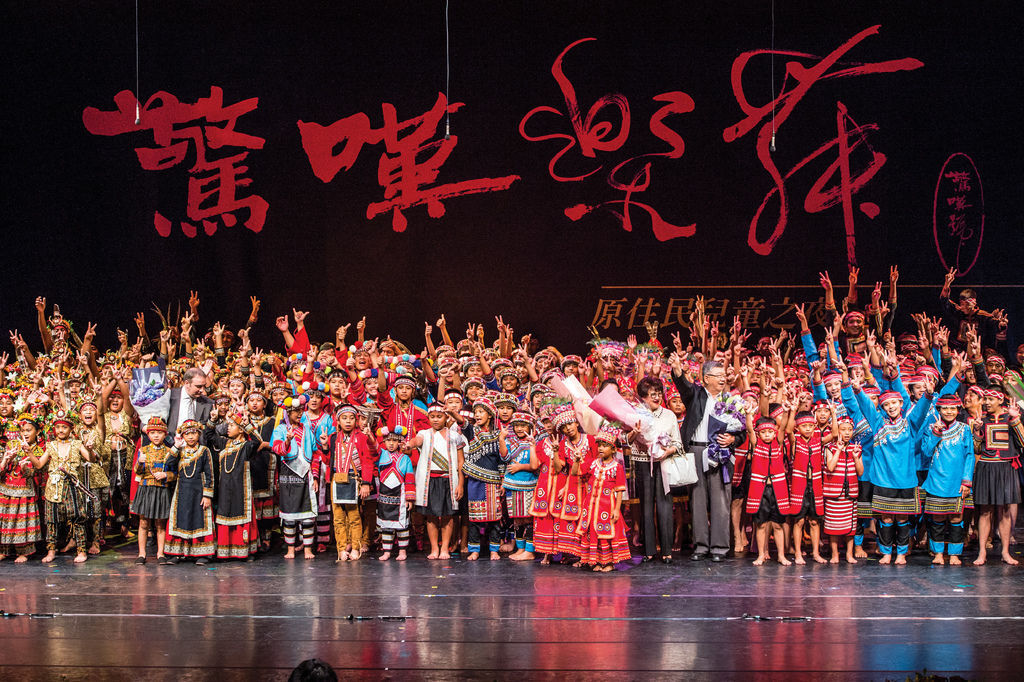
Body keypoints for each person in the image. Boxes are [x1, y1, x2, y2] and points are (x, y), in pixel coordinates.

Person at [672, 360, 735, 562]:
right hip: (696, 450)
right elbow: (684, 385)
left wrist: (733, 439)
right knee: (697, 500)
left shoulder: (730, 400)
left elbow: (740, 430)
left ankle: (719, 548)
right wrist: (678, 371)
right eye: (718, 375)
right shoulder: (696, 395)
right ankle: (700, 546)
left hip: (720, 452)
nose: (723, 379)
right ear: (706, 378)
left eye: (724, 375)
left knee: (720, 501)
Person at [28, 410, 97, 564]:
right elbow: (39, 464)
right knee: (51, 520)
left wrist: (90, 448)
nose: (60, 430)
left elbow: (91, 459)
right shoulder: (51, 445)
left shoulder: (77, 444)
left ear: (71, 429)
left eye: (64, 427)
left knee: (77, 518)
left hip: (72, 486)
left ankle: (81, 550)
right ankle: (51, 551)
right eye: (58, 427)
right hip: (54, 487)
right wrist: (30, 453)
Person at [919, 394, 974, 565]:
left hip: (957, 482)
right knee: (937, 519)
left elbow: (970, 455)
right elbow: (926, 452)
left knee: (956, 519)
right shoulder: (930, 428)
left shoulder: (965, 429)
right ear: (939, 410)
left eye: (952, 408)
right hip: (937, 481)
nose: (949, 411)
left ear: (958, 410)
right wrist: (936, 432)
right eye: (945, 408)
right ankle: (938, 554)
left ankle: (955, 554)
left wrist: (966, 481)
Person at [970, 387, 1022, 565]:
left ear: (1001, 400)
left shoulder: (1011, 419)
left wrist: (1015, 420)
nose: (986, 402)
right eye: (985, 399)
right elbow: (977, 449)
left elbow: (1022, 442)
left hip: (1006, 468)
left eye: (990, 399)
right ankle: (982, 552)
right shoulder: (982, 420)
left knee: (1005, 511)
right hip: (987, 467)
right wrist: (977, 432)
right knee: (985, 511)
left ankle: (1005, 552)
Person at [317, 405, 375, 561]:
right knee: (338, 518)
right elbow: (327, 461)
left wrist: (366, 483)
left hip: (353, 479)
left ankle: (355, 547)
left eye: (351, 418)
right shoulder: (333, 438)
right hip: (336, 480)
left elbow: (367, 461)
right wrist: (324, 446)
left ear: (356, 420)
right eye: (344, 418)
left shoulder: (361, 437)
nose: (348, 421)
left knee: (354, 516)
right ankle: (341, 549)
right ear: (338, 421)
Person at [406, 404, 464, 560]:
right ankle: (434, 548)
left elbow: (461, 462)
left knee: (447, 516)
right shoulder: (424, 433)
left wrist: (460, 484)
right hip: (430, 481)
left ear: (446, 417)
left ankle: (444, 548)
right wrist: (410, 444)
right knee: (431, 516)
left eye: (439, 416)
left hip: (448, 480)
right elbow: (417, 441)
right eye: (432, 417)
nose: (436, 420)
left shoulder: (454, 436)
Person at [577, 424, 630, 572]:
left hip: (607, 507)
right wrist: (578, 460)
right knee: (594, 532)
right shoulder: (593, 463)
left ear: (613, 449)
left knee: (606, 534)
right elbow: (579, 472)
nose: (600, 448)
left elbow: (620, 490)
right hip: (592, 506)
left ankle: (609, 563)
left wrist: (616, 509)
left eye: (605, 446)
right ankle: (598, 561)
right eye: (599, 445)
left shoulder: (617, 467)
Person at [163, 419, 216, 564]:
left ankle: (202, 554)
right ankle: (178, 553)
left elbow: (210, 474)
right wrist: (176, 446)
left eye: (194, 433)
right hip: (182, 492)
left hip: (199, 492)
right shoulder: (179, 451)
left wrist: (207, 495)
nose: (191, 437)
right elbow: (167, 463)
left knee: (198, 520)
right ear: (183, 436)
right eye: (187, 434)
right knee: (182, 520)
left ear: (199, 434)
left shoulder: (204, 451)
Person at [462, 398, 508, 561]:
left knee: (495, 519)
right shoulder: (472, 432)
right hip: (475, 481)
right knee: (475, 518)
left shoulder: (498, 435)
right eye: (476, 412)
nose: (477, 415)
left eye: (481, 411)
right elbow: (462, 422)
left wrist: (502, 482)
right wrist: (452, 412)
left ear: (489, 415)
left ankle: (494, 550)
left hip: (493, 481)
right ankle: (474, 550)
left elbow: (502, 460)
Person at [744, 415, 792, 566]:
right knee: (761, 524)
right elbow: (749, 429)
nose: (767, 435)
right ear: (759, 434)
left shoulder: (778, 443)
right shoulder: (756, 444)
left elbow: (783, 428)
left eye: (770, 432)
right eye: (763, 432)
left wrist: (787, 411)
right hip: (760, 491)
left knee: (778, 525)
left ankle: (781, 555)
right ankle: (761, 555)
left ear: (774, 432)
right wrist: (748, 414)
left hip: (777, 490)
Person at [272, 405, 318, 560]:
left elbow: (315, 453)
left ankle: (307, 549)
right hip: (288, 475)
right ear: (288, 412)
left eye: (300, 411)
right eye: (295, 411)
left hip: (305, 475)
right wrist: (287, 441)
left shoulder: (307, 429)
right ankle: (290, 548)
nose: (299, 414)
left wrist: (316, 477)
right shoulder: (280, 429)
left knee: (307, 516)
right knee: (289, 516)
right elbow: (277, 449)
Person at [130, 416, 176, 564]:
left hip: (161, 490)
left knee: (160, 524)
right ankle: (142, 553)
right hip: (146, 489)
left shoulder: (169, 452)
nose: (156, 436)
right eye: (153, 433)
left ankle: (160, 553)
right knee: (143, 523)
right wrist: (140, 462)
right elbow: (137, 472)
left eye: (159, 433)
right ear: (148, 434)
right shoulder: (143, 450)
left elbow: (175, 473)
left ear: (165, 434)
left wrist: (166, 475)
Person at [0, 414, 44, 562]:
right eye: (23, 430)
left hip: (25, 490)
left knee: (22, 521)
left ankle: (23, 552)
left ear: (37, 432)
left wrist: (25, 469)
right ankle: (4, 550)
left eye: (29, 430)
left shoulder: (39, 450)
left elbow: (36, 472)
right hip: (6, 488)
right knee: (5, 521)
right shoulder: (12, 445)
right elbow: (2, 469)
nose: (25, 433)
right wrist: (7, 460)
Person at [822, 416, 863, 564]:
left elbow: (860, 472)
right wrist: (839, 450)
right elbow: (830, 467)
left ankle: (849, 554)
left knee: (850, 527)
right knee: (833, 525)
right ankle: (835, 554)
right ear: (837, 430)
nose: (847, 433)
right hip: (834, 493)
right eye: (843, 429)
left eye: (849, 430)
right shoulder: (829, 448)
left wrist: (856, 457)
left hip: (849, 494)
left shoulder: (855, 448)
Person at [500, 411, 539, 561]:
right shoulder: (511, 442)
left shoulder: (533, 442)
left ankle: (529, 550)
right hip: (512, 486)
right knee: (517, 520)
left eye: (523, 425)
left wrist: (520, 467)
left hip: (528, 485)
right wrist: (502, 439)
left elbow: (535, 466)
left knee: (528, 519)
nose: (519, 428)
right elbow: (505, 457)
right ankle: (520, 548)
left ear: (529, 427)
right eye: (516, 425)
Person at [375, 427, 415, 561]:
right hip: (384, 495)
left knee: (402, 525)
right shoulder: (381, 455)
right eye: (388, 441)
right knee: (386, 525)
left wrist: (409, 498)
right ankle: (387, 551)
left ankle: (402, 551)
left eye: (394, 441)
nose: (391, 443)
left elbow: (409, 479)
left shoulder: (405, 459)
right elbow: (373, 447)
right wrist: (369, 435)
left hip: (400, 495)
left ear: (399, 442)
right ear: (384, 442)